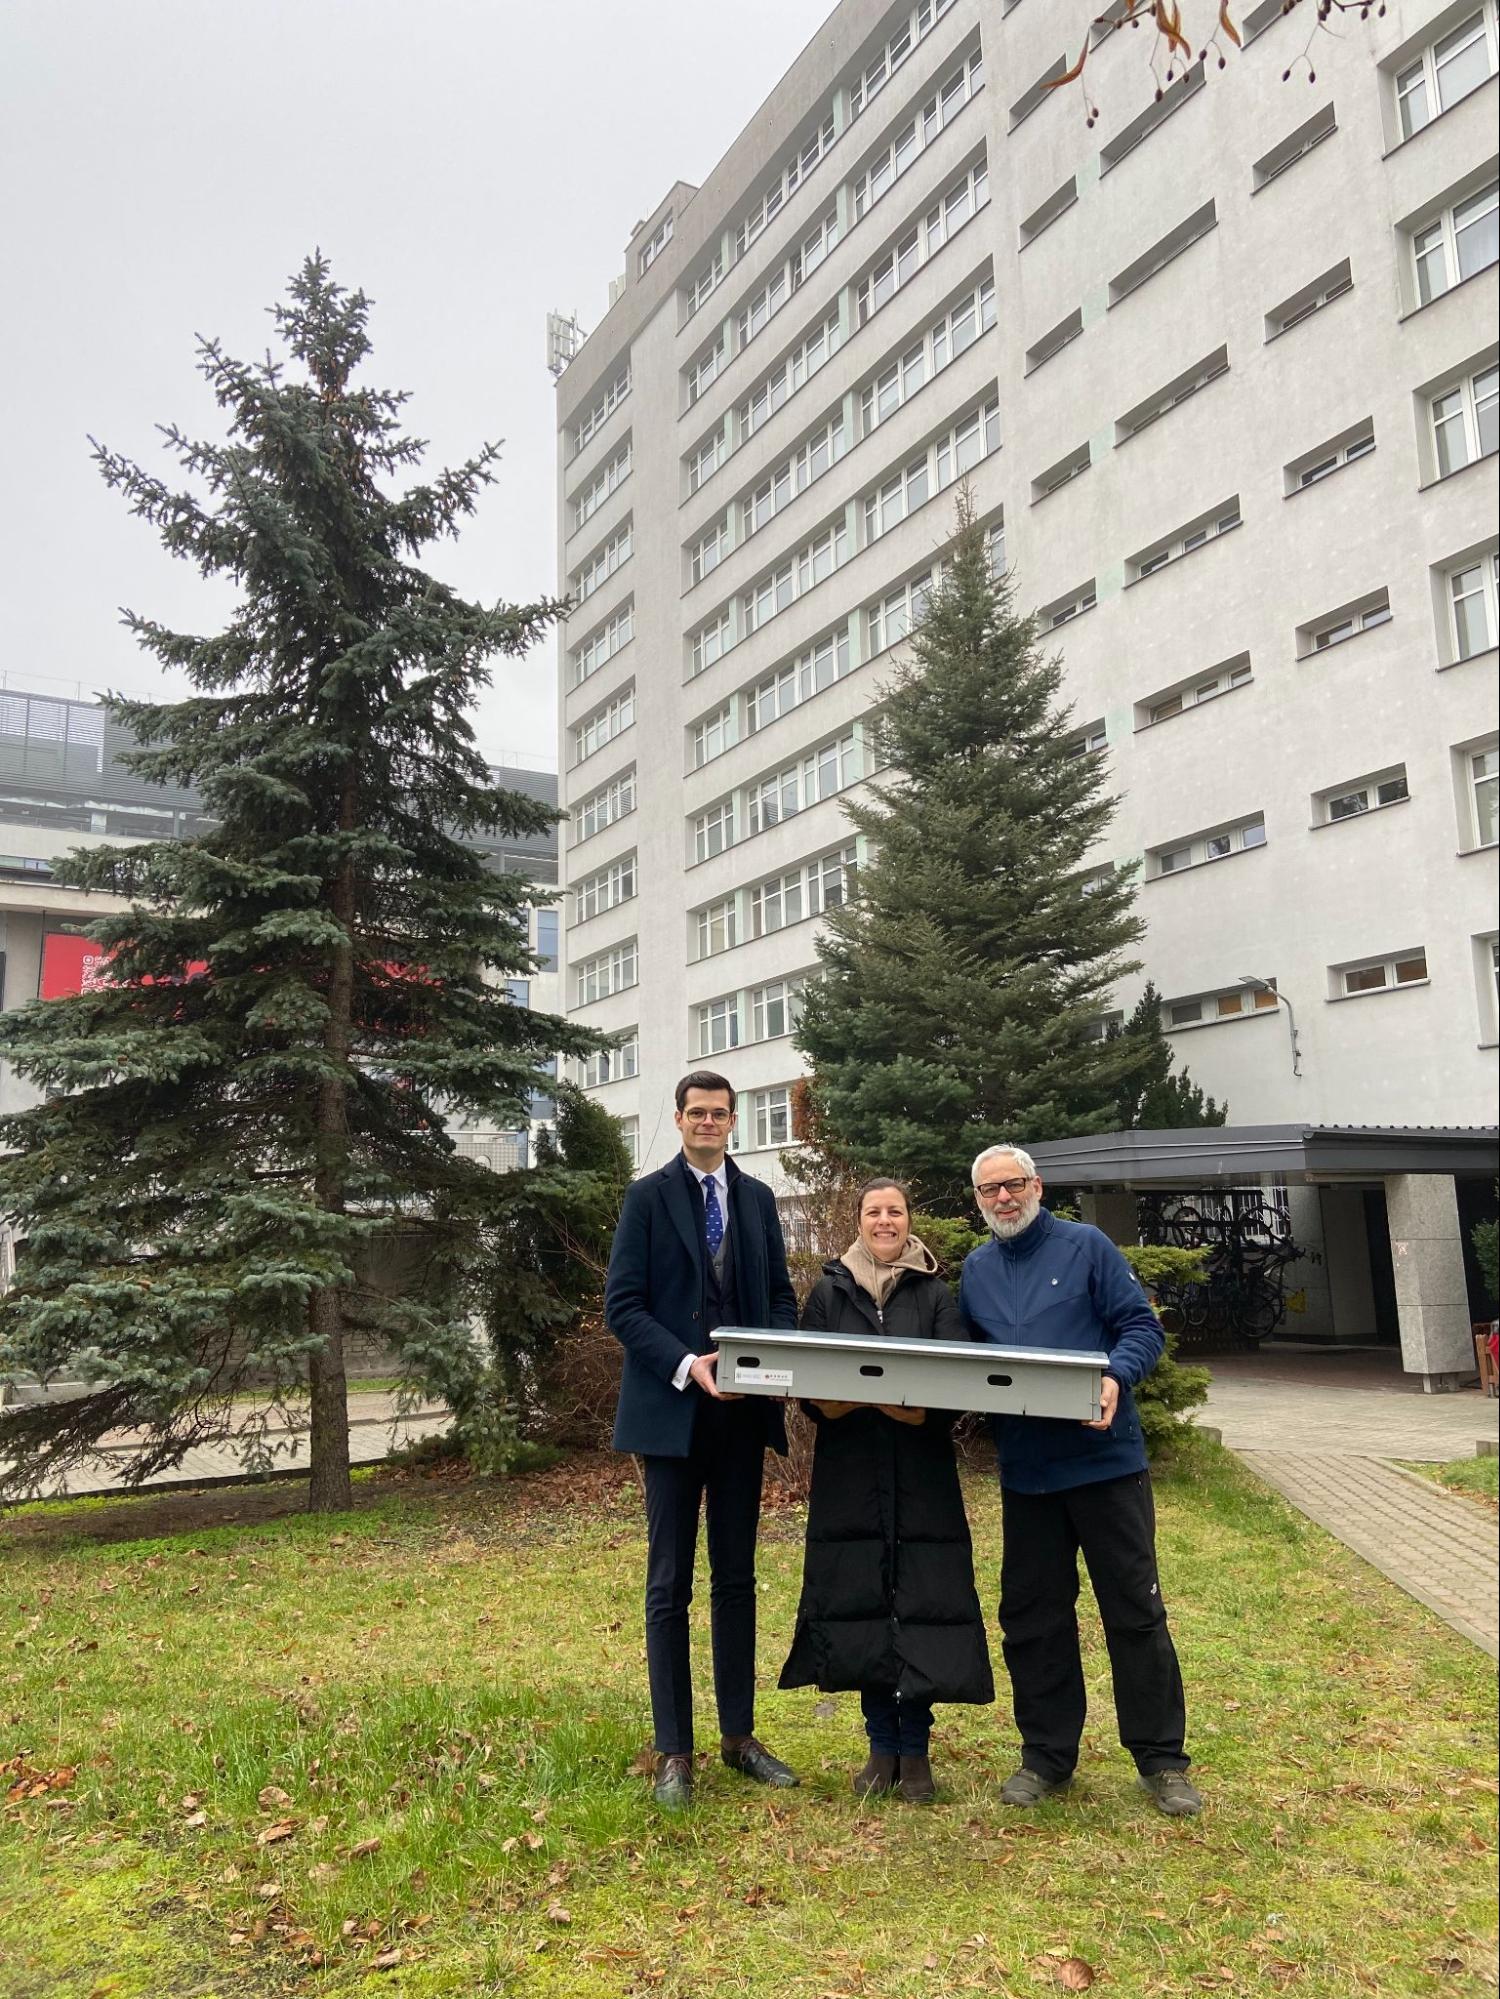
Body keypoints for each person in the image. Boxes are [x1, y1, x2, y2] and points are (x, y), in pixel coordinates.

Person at [959, 1144, 1201, 1818]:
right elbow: (967, 1359)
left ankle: (1161, 1759)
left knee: (1134, 1611)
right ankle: (1046, 1756)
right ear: (978, 1201)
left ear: (1037, 1185)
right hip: (1028, 1475)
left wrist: (1115, 1375)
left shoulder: (1087, 1246)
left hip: (1105, 1465)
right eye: (989, 1190)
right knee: (1033, 1619)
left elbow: (1140, 1327)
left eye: (1012, 1185)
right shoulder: (976, 1270)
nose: (1003, 1198)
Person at [603, 1071, 800, 1809]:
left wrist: (768, 1364)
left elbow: (779, 1297)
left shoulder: (757, 1199)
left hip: (741, 1417)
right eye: (698, 1113)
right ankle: (674, 1751)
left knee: (737, 1579)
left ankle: (739, 1737)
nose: (709, 1123)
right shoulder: (647, 1198)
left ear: (733, 1120)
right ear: (680, 1119)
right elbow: (623, 1305)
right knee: (669, 1584)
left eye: (720, 1113)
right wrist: (689, 1365)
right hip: (672, 1413)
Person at [779, 1179, 994, 1803]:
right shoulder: (829, 1291)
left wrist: (917, 1410)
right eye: (873, 1211)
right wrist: (836, 1402)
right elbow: (808, 1378)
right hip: (849, 1473)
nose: (884, 1221)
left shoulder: (933, 1291)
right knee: (862, 1602)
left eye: (894, 1211)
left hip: (922, 1471)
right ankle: (880, 1746)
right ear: (858, 1221)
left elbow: (956, 1375)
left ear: (908, 1220)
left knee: (924, 1602)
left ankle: (915, 1751)